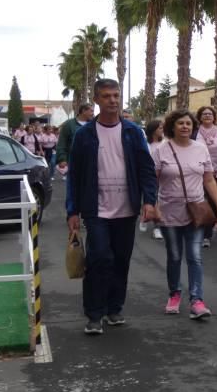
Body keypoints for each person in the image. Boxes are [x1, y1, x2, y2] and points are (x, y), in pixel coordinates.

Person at [66, 79, 158, 335]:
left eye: (116, 95)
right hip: (96, 210)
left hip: (126, 209)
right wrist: (72, 210)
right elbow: (75, 174)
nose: (113, 100)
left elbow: (146, 169)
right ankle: (94, 314)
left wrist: (149, 200)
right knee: (99, 259)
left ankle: (114, 308)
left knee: (120, 260)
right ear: (96, 99)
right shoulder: (84, 135)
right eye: (106, 96)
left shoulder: (132, 132)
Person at [153, 110, 217, 319]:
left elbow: (209, 180)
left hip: (196, 211)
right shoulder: (161, 150)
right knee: (175, 256)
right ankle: (174, 294)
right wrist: (152, 205)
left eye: (188, 123)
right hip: (169, 211)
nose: (185, 127)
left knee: (194, 255)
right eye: (180, 123)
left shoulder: (200, 149)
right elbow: (154, 181)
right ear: (172, 127)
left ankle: (197, 300)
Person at [196, 106, 217, 243]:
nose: (207, 116)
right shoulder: (194, 133)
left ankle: (211, 225)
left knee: (216, 203)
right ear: (200, 117)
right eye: (204, 114)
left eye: (210, 114)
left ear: (214, 117)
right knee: (203, 202)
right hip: (198, 173)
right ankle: (205, 235)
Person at [142, 119, 165, 240]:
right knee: (154, 200)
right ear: (153, 130)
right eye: (160, 128)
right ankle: (157, 227)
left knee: (161, 202)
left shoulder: (165, 143)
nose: (162, 130)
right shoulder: (145, 144)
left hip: (165, 177)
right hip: (150, 176)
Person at [57, 103, 95, 175]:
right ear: (83, 111)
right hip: (73, 162)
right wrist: (62, 159)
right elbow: (62, 143)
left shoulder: (94, 124)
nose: (93, 114)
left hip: (91, 163)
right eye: (91, 111)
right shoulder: (69, 124)